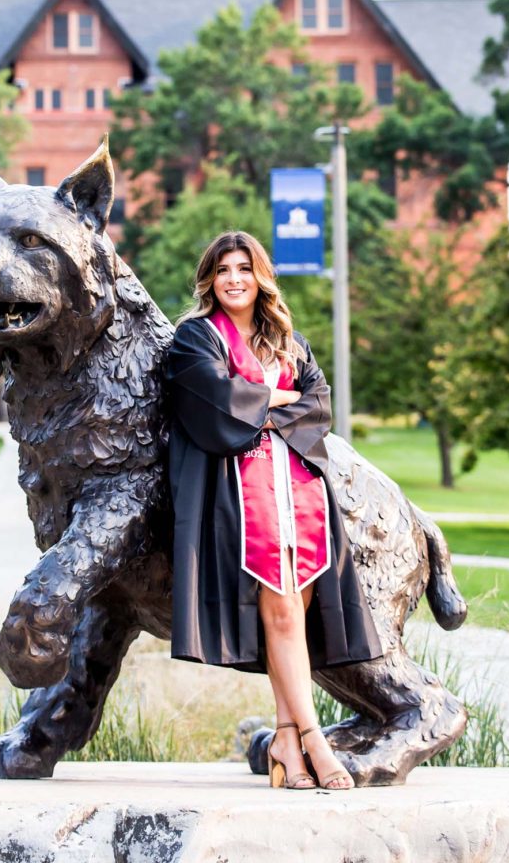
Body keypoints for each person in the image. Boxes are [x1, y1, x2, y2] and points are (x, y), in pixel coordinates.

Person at [166, 231, 382, 790]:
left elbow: (319, 404)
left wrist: (257, 399)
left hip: (301, 491)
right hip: (241, 496)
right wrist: (276, 400)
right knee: (282, 610)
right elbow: (215, 402)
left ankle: (285, 738)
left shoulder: (287, 340)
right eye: (222, 270)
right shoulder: (195, 339)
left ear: (260, 276)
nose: (233, 278)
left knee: (296, 611)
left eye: (244, 268)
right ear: (209, 279)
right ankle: (315, 739)